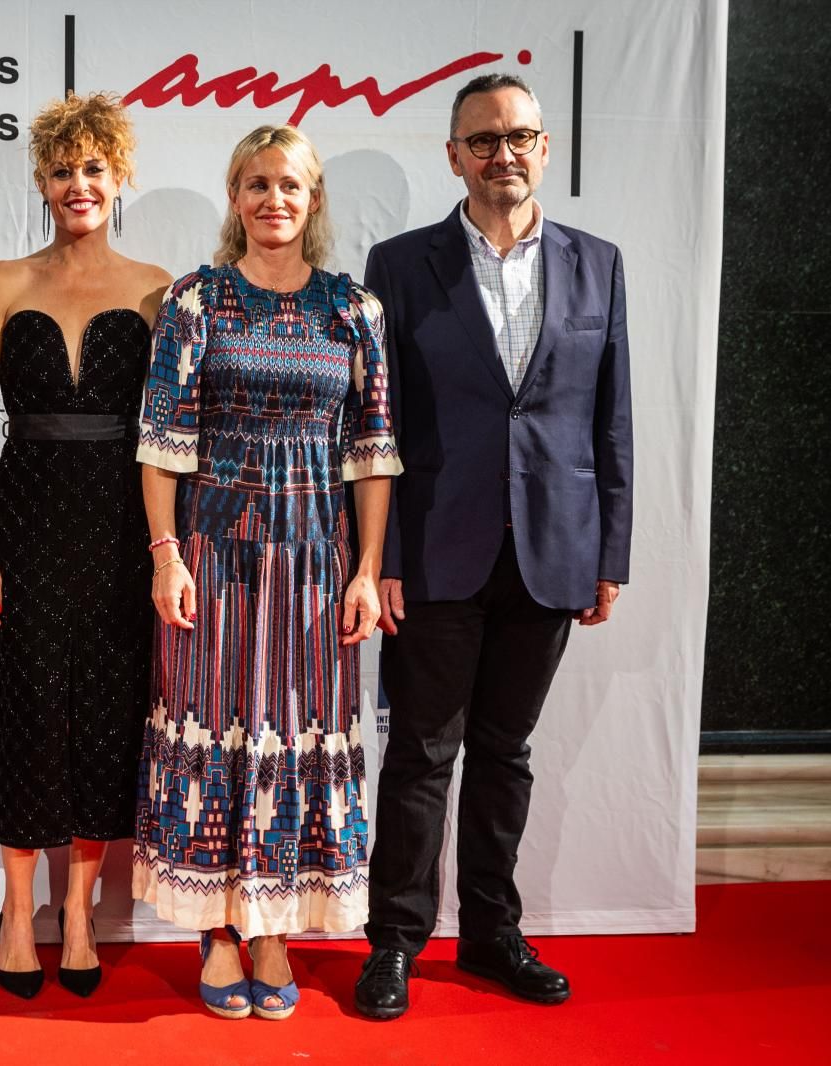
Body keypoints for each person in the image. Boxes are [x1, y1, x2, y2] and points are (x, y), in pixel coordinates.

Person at [353, 72, 632, 1020]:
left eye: (519, 137)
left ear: (544, 147)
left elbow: (611, 422)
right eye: (482, 140)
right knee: (422, 754)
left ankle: (490, 933)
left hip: (553, 547)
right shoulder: (399, 265)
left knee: (506, 752)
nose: (502, 153)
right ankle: (393, 939)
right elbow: (375, 427)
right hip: (433, 548)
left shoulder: (598, 263)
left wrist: (612, 552)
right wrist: (379, 556)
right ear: (453, 155)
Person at [134, 126, 401, 1021]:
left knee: (296, 726)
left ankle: (276, 927)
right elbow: (161, 445)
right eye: (255, 184)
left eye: (289, 185)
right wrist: (166, 555)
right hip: (214, 557)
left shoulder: (352, 310)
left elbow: (373, 452)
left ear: (314, 199)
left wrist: (367, 570)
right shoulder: (194, 301)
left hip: (316, 565)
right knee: (213, 723)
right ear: (235, 197)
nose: (273, 199)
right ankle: (215, 931)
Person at [0, 91, 170, 1000]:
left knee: (105, 720)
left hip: (124, 531)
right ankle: (16, 908)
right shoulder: (2, 281)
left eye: (94, 167)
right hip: (29, 524)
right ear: (40, 181)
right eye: (61, 168)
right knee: (33, 715)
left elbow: (168, 439)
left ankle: (78, 911)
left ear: (119, 178)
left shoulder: (161, 289)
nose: (77, 184)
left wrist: (167, 549)